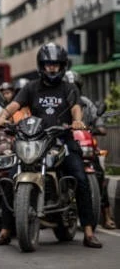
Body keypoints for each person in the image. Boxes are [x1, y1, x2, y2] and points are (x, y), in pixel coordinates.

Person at [0, 43, 102, 248]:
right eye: (48, 64)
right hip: (37, 141)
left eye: (56, 65)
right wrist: (1, 118)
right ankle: (5, 230)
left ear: (62, 66)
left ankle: (88, 231)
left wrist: (77, 121)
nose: (52, 68)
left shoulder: (69, 88)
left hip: (63, 141)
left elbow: (76, 109)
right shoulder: (31, 87)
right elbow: (15, 104)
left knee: (80, 178)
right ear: (42, 65)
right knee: (9, 176)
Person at [64, 70, 116, 230]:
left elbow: (98, 121)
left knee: (100, 173)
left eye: (76, 86)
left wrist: (98, 127)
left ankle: (106, 217)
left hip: (86, 146)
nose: (73, 89)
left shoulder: (87, 103)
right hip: (67, 146)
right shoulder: (61, 102)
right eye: (70, 86)